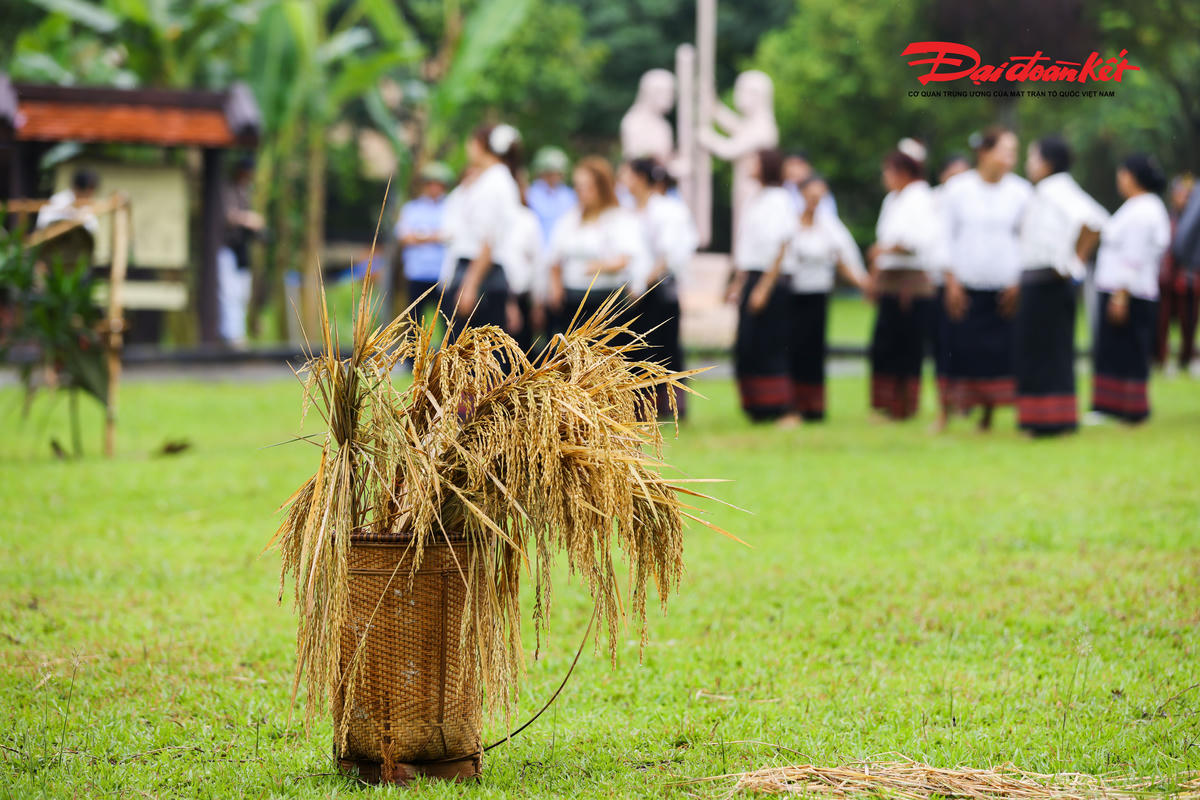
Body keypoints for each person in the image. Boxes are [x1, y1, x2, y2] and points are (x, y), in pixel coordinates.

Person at [938, 128, 1032, 431]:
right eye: (1004, 150)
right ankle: (945, 414)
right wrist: (951, 280)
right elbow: (944, 237)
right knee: (956, 350)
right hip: (964, 285)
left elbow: (1026, 240)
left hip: (1003, 287)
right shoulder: (957, 190)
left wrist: (1018, 281)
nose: (1010, 158)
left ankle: (987, 416)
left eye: (1013, 152)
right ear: (984, 152)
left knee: (996, 354)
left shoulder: (1021, 192)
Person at [1014, 135, 1108, 436]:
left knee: (1046, 352)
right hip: (1042, 281)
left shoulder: (1055, 189)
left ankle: (1050, 421)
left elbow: (1094, 221)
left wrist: (1074, 262)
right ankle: (1049, 418)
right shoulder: (1048, 189)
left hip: (1049, 282)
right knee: (1049, 350)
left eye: (1032, 157)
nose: (1028, 163)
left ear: (1048, 162)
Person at [754, 175, 867, 424]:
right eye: (811, 196)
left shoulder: (829, 226)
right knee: (792, 350)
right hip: (794, 297)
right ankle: (790, 407)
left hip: (818, 297)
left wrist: (864, 285)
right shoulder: (791, 224)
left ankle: (813, 407)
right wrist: (763, 289)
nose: (815, 201)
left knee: (813, 352)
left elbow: (842, 260)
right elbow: (777, 259)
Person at [1089, 154, 1171, 423]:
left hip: (1129, 292)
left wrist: (1121, 295)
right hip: (1123, 290)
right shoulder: (1138, 206)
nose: (1119, 179)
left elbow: (1133, 256)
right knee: (1114, 349)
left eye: (1122, 173)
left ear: (1133, 176)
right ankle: (1110, 406)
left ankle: (1131, 409)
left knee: (1129, 350)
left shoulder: (1144, 210)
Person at [866, 139, 941, 421]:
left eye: (888, 171)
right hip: (889, 280)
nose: (885, 177)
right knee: (884, 344)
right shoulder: (892, 200)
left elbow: (917, 241)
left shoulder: (921, 197)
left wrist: (887, 249)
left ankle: (903, 406)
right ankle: (885, 403)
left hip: (911, 282)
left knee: (906, 345)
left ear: (904, 172)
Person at [624, 158, 699, 417]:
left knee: (664, 349)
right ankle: (640, 407)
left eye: (627, 174)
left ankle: (671, 406)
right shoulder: (628, 210)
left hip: (657, 289)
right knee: (638, 350)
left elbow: (667, 254)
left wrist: (643, 284)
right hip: (634, 291)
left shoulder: (666, 210)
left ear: (640, 178)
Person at [727, 148, 798, 421]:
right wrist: (739, 282)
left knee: (771, 343)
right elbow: (748, 247)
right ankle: (758, 406)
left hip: (772, 279)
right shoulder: (754, 198)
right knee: (748, 343)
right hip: (753, 275)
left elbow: (781, 245)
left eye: (754, 161)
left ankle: (781, 407)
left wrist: (764, 288)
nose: (749, 165)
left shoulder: (779, 199)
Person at [545, 156, 650, 336]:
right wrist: (555, 289)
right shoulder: (570, 219)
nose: (581, 192)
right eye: (577, 186)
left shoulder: (618, 219)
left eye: (586, 187)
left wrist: (598, 267)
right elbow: (554, 258)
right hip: (572, 298)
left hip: (605, 299)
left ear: (601, 187)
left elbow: (626, 258)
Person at [445, 124, 523, 337]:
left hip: (480, 273)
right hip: (478, 270)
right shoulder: (490, 179)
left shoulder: (495, 182)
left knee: (474, 350)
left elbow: (489, 240)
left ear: (480, 145)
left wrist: (470, 284)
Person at [929, 153, 970, 426]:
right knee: (942, 347)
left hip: (969, 284)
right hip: (940, 283)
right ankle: (944, 407)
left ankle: (968, 402)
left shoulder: (973, 201)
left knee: (967, 347)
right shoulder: (933, 202)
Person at [395, 162, 453, 325]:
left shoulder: (450, 208)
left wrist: (421, 236)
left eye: (438, 184)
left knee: (447, 323)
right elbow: (405, 237)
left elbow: (452, 235)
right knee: (413, 323)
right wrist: (435, 237)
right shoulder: (411, 208)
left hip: (443, 275)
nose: (434, 188)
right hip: (417, 273)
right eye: (431, 183)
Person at [217, 157, 263, 346]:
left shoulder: (245, 192)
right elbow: (227, 216)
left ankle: (238, 333)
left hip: (241, 250)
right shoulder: (226, 190)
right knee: (228, 293)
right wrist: (247, 219)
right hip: (226, 248)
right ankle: (229, 335)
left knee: (242, 293)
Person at [1155, 175, 1197, 372]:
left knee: (1189, 321)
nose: (1183, 199)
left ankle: (1187, 358)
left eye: (1187, 195)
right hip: (1166, 279)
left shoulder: (1193, 221)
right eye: (1180, 194)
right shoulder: (1166, 218)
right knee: (1161, 321)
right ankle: (1161, 357)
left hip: (1188, 279)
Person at [503, 177, 545, 353]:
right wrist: (508, 302)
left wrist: (537, 303)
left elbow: (537, 262)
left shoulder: (528, 219)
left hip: (523, 297)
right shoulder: (496, 219)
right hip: (498, 297)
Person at [527, 147, 577, 244]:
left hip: (563, 247)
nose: (554, 177)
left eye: (558, 173)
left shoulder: (569, 195)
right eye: (550, 173)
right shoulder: (530, 194)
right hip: (537, 246)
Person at [36, 168, 100, 234]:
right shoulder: (58, 200)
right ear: (77, 188)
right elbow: (42, 223)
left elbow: (92, 228)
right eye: (86, 193)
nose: (89, 197)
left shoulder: (87, 208)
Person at [782, 151, 837, 218]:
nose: (794, 170)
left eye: (799, 164)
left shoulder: (820, 189)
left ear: (809, 167)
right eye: (791, 165)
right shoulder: (782, 190)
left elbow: (829, 217)